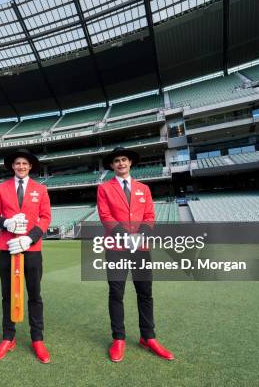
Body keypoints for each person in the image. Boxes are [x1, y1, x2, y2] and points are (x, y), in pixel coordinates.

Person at [97, 147, 174, 362]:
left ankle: (148, 337)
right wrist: (124, 236)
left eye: (124, 160)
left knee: (145, 293)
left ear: (130, 163)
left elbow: (149, 216)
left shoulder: (144, 189)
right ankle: (118, 339)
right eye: (116, 161)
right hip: (116, 248)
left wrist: (139, 235)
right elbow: (105, 215)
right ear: (112, 166)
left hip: (140, 248)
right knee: (116, 293)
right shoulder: (104, 188)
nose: (121, 163)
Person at [0, 148, 52, 363]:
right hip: (8, 248)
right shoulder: (1, 188)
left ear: (30, 166)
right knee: (7, 295)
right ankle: (8, 337)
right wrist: (5, 222)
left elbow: (45, 217)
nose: (21, 167)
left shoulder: (40, 189)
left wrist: (30, 238)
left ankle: (37, 338)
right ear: (12, 166)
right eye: (17, 164)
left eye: (25, 164)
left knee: (35, 294)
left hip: (31, 249)